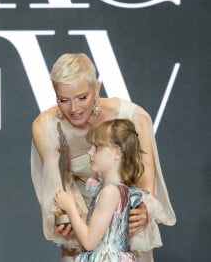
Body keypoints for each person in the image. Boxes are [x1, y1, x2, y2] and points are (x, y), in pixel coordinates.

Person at [31, 53, 176, 262]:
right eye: (63, 100)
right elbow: (58, 188)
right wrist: (64, 217)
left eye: (82, 97)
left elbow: (145, 181)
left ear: (96, 88)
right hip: (80, 221)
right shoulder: (46, 126)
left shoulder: (133, 118)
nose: (74, 109)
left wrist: (143, 210)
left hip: (125, 220)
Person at [54, 119, 149, 261]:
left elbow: (89, 242)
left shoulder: (110, 192)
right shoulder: (117, 189)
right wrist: (72, 220)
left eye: (97, 147)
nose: (90, 152)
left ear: (117, 153)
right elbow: (98, 231)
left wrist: (70, 206)